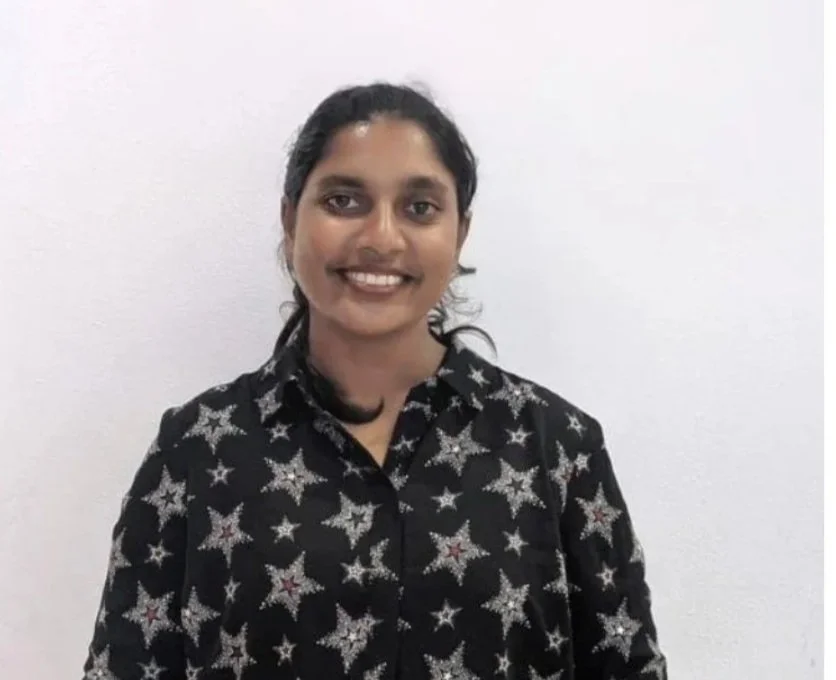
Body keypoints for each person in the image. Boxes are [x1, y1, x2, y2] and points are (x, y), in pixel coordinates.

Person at [82, 82, 667, 680]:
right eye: (343, 200)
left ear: (459, 233)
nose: (381, 238)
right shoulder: (198, 449)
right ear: (290, 219)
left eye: (419, 208)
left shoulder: (557, 447)